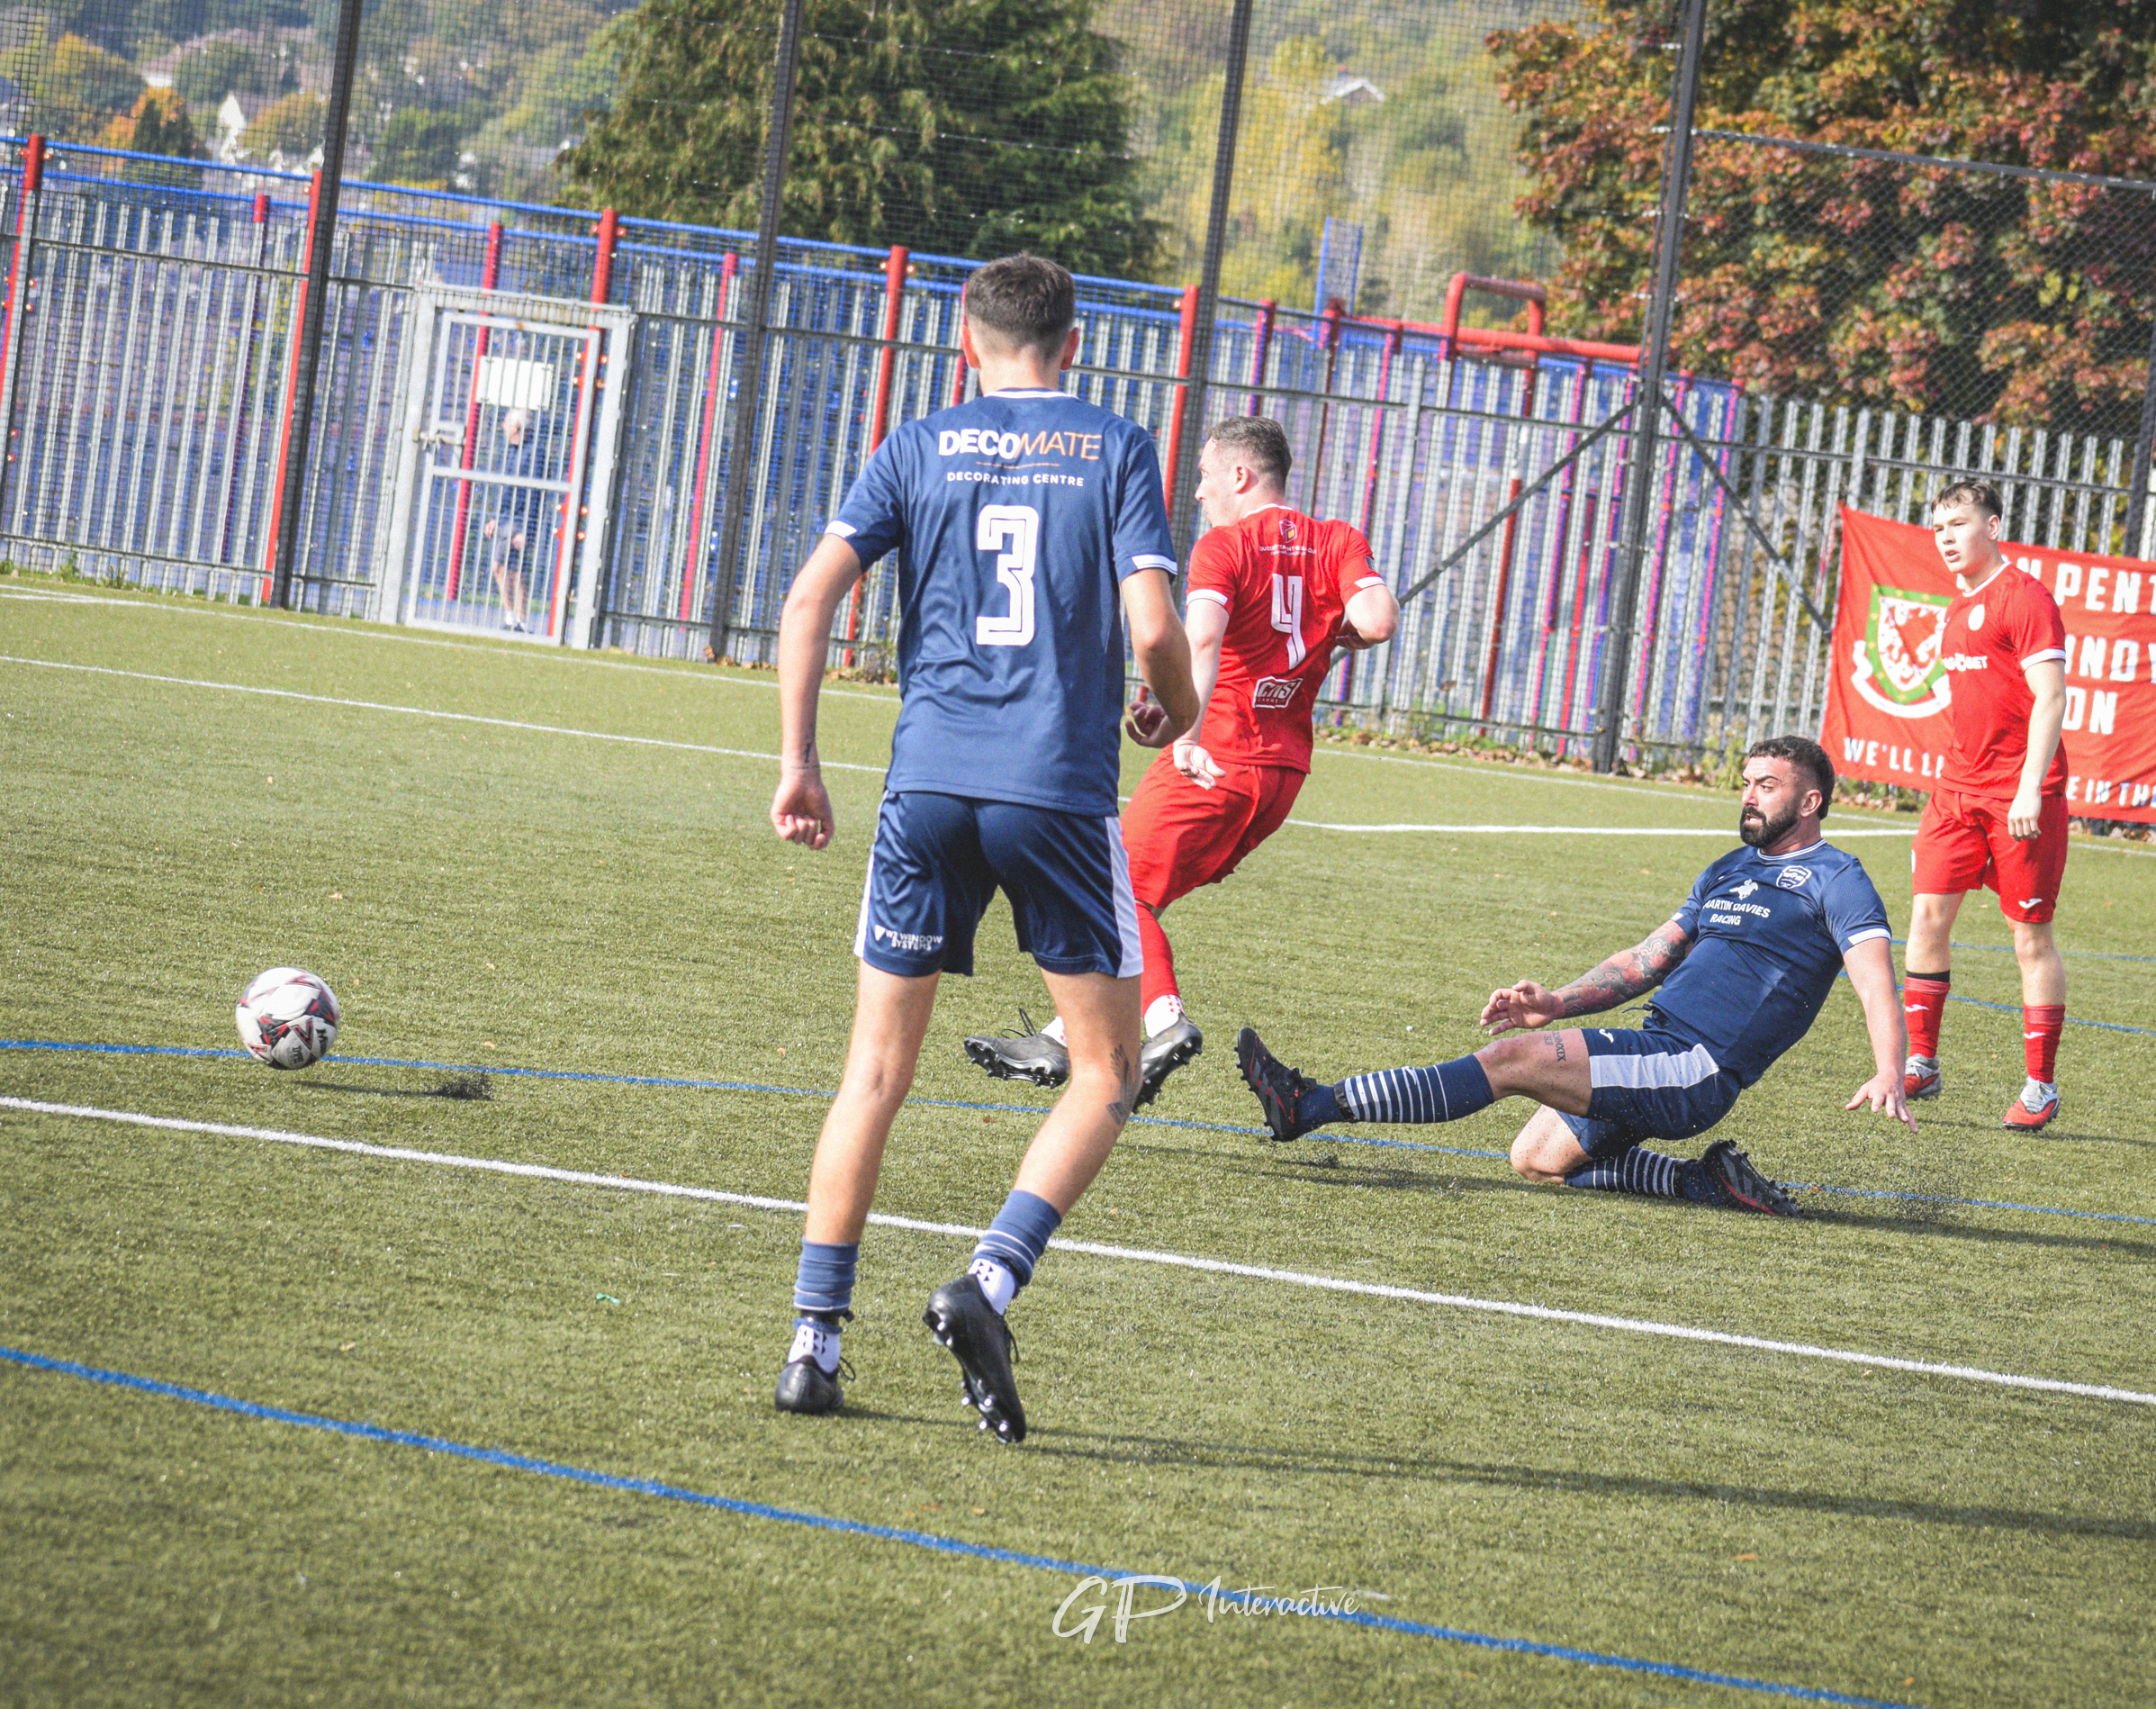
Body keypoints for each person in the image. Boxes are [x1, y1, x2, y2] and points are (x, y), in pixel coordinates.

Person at [766, 254, 1199, 1442]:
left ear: (967, 341)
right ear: (1076, 338)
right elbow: (1153, 624)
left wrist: (801, 763)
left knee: (871, 1074)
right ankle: (991, 1282)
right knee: (1108, 1071)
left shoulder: (918, 444)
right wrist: (1182, 708)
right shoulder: (1112, 444)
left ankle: (813, 1343)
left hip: (926, 786)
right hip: (1053, 790)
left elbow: (809, 602)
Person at [1235, 737, 1911, 1207]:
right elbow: (1649, 958)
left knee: (1510, 1059)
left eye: (1767, 786)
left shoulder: (1837, 879)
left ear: (1811, 801)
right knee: (1535, 1159)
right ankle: (1702, 1184)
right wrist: (1557, 1002)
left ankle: (1310, 1105)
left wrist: (1889, 1069)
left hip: (1695, 1066)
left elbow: (1876, 980)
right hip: (1659, 1044)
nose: (1749, 796)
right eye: (1746, 783)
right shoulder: (1726, 871)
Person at [962, 413, 1395, 1103]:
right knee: (1136, 898)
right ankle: (1062, 1037)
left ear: (1241, 476)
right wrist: (1331, 633)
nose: (1196, 492)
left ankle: (1162, 1023)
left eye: (1203, 475)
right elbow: (1375, 622)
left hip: (1217, 756)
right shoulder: (1337, 539)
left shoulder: (1224, 547)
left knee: (1113, 891)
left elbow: (1200, 641)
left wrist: (1184, 736)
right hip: (1279, 778)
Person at [1898, 479, 2073, 1130]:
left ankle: (2040, 1087)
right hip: (1956, 793)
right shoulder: (1953, 609)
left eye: (1959, 524)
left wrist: (2030, 786)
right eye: (1938, 527)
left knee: (2030, 939)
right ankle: (1922, 1063)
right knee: (1925, 919)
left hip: (2021, 797)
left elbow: (2051, 698)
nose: (1946, 537)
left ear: (1993, 526)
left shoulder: (2024, 597)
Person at [484, 406, 544, 634]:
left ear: (517, 426)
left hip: (520, 519)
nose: (502, 426)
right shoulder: (509, 451)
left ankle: (522, 621)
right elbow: (505, 489)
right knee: (499, 568)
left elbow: (534, 495)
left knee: (516, 570)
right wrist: (494, 518)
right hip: (505, 518)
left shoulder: (534, 454)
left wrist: (526, 530)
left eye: (506, 422)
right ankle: (510, 618)